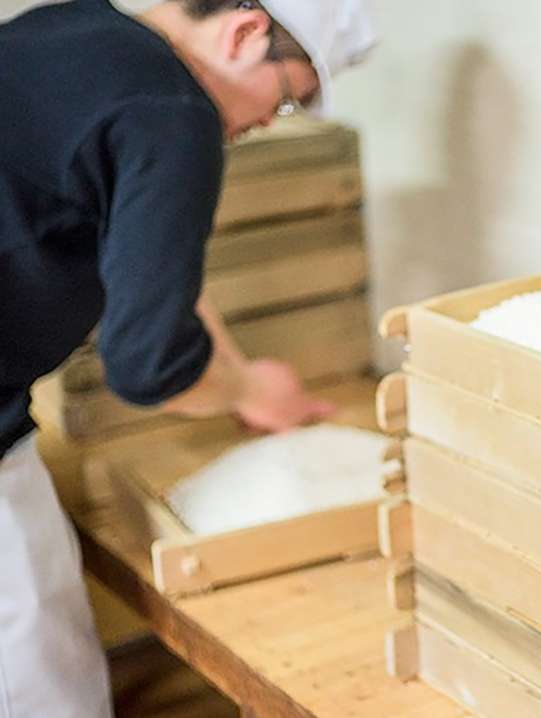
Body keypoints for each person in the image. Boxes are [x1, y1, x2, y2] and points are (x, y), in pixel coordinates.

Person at [0, 0, 377, 714]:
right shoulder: (176, 111)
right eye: (287, 98)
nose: (269, 123)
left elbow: (153, 272)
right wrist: (248, 389)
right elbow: (149, 367)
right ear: (245, 33)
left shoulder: (73, 28)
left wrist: (241, 371)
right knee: (41, 680)